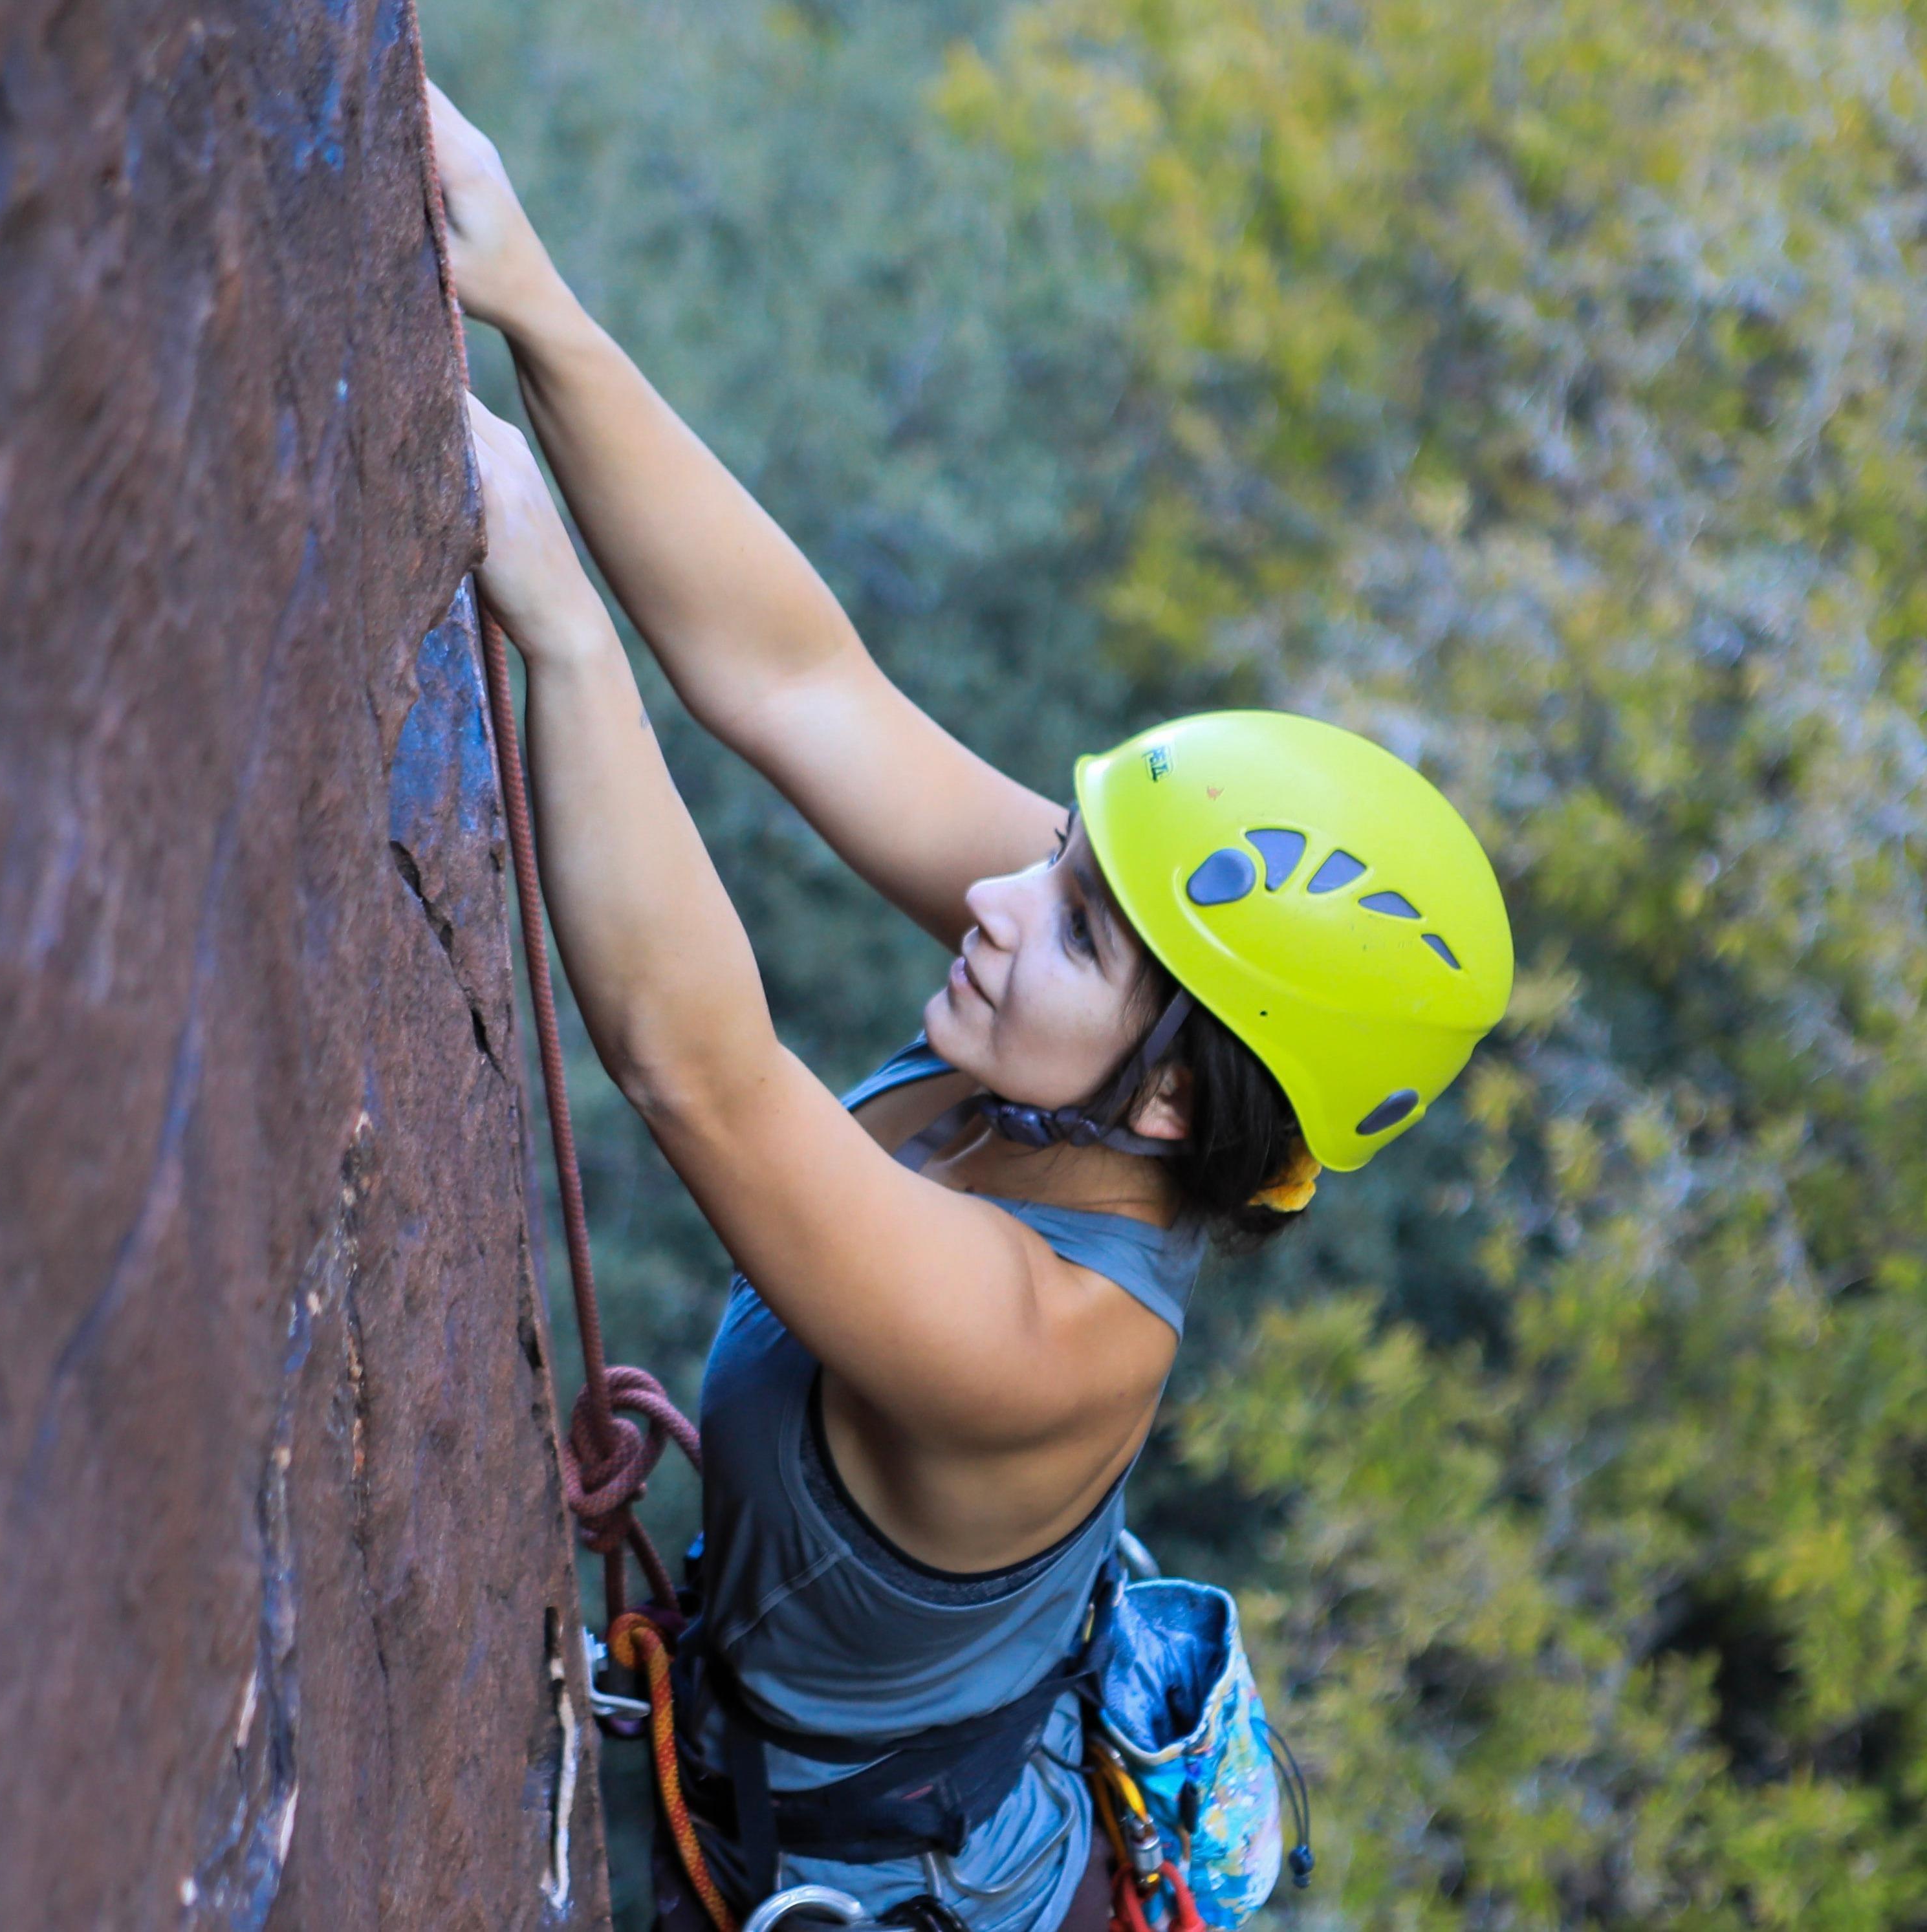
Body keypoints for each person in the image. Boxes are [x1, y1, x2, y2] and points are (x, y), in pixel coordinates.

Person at [425, 81, 1513, 1932]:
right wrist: (531, 294)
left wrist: (562, 633)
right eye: (1069, 858)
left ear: (1176, 1106)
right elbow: (800, 685)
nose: (1003, 891)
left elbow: (701, 1072)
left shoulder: (1052, 1341)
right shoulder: (1108, 1018)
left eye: (1078, 918)